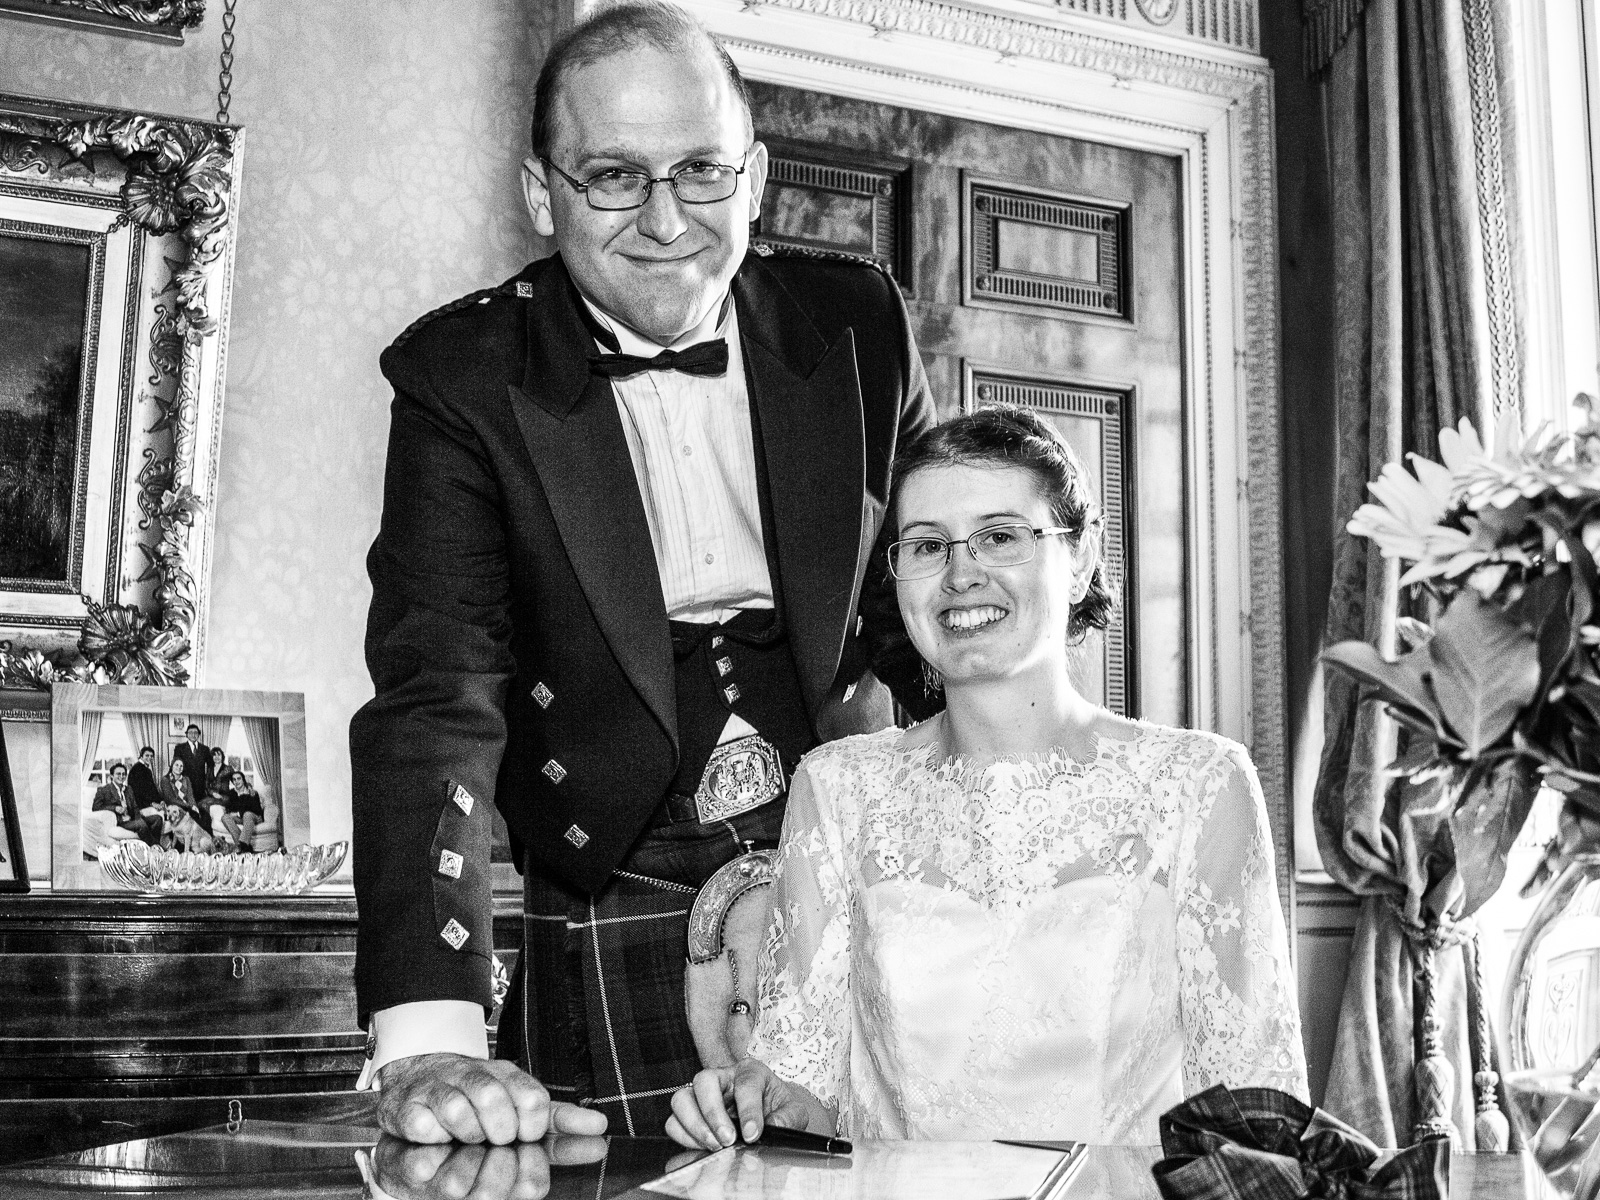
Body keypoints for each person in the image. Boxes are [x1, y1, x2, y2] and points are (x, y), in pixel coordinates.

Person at [349, 0, 932, 1145]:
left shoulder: (856, 318)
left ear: (754, 177)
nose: (666, 220)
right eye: (614, 176)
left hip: (856, 859)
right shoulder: (462, 374)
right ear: (542, 194)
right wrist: (430, 1033)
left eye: (701, 170)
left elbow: (922, 600)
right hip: (611, 864)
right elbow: (436, 696)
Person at [667, 406, 1307, 1149]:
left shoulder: (1198, 785)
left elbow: (1253, 1107)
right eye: (927, 545)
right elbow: (803, 1091)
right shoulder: (837, 788)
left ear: (1082, 557)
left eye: (1000, 536)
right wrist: (753, 1104)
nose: (960, 574)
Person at [91, 762, 161, 846]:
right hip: (121, 821)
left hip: (132, 819)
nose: (121, 776)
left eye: (123, 774)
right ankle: (156, 846)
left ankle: (152, 846)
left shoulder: (129, 789)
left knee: (157, 818)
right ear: (112, 776)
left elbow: (135, 807)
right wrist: (114, 808)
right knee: (141, 824)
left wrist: (138, 818)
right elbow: (95, 807)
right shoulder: (104, 790)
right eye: (118, 774)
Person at [158, 757, 213, 853]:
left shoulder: (186, 779)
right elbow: (170, 799)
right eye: (176, 765)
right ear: (172, 766)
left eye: (181, 766)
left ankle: (208, 846)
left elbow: (190, 795)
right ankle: (183, 849)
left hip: (187, 806)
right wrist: (188, 806)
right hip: (175, 806)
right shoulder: (165, 779)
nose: (179, 768)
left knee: (205, 816)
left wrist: (194, 806)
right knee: (194, 817)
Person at [221, 774, 264, 852]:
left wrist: (238, 812)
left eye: (238, 779)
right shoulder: (231, 793)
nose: (236, 781)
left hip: (254, 816)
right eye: (234, 779)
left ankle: (242, 845)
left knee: (247, 814)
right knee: (225, 817)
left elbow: (255, 809)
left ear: (243, 780)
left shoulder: (252, 792)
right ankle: (244, 846)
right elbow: (230, 808)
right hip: (241, 818)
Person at [173, 724, 211, 803]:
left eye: (196, 733)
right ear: (186, 735)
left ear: (199, 735)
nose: (193, 735)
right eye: (190, 732)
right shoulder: (179, 748)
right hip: (185, 785)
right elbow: (176, 766)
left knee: (200, 807)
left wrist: (207, 780)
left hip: (201, 786)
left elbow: (210, 766)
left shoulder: (205, 749)